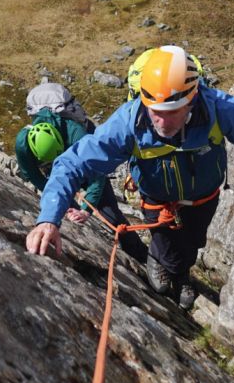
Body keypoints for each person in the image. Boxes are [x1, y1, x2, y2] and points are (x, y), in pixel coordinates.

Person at [25, 45, 234, 310]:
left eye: (171, 113)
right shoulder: (130, 122)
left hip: (203, 200)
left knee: (192, 243)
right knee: (167, 249)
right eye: (154, 111)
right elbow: (71, 164)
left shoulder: (217, 109)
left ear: (192, 99)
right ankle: (165, 268)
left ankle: (179, 273)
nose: (160, 122)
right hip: (157, 203)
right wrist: (49, 218)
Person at [15, 83, 148, 263]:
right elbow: (34, 176)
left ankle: (142, 256)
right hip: (62, 158)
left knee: (111, 213)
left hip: (86, 157)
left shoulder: (77, 133)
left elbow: (98, 175)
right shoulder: (23, 145)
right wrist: (66, 204)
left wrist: (86, 209)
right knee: (62, 192)